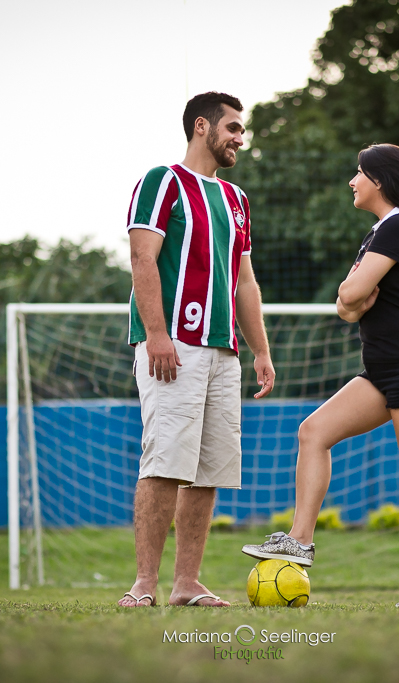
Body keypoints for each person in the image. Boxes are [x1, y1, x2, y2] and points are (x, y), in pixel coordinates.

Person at [242, 143, 399, 608]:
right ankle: (300, 542)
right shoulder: (381, 231)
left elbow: (352, 291)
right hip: (382, 369)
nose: (352, 181)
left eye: (359, 173)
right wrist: (353, 296)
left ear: (380, 180)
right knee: (313, 432)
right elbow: (345, 305)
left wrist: (355, 294)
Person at [118, 92, 276, 608]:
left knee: (208, 470)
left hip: (223, 351)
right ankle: (144, 584)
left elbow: (246, 283)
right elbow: (143, 258)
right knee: (164, 462)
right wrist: (157, 334)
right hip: (174, 347)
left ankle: (188, 583)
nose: (240, 138)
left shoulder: (237, 200)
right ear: (202, 126)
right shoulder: (160, 181)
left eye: (242, 131)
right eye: (233, 128)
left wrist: (261, 351)